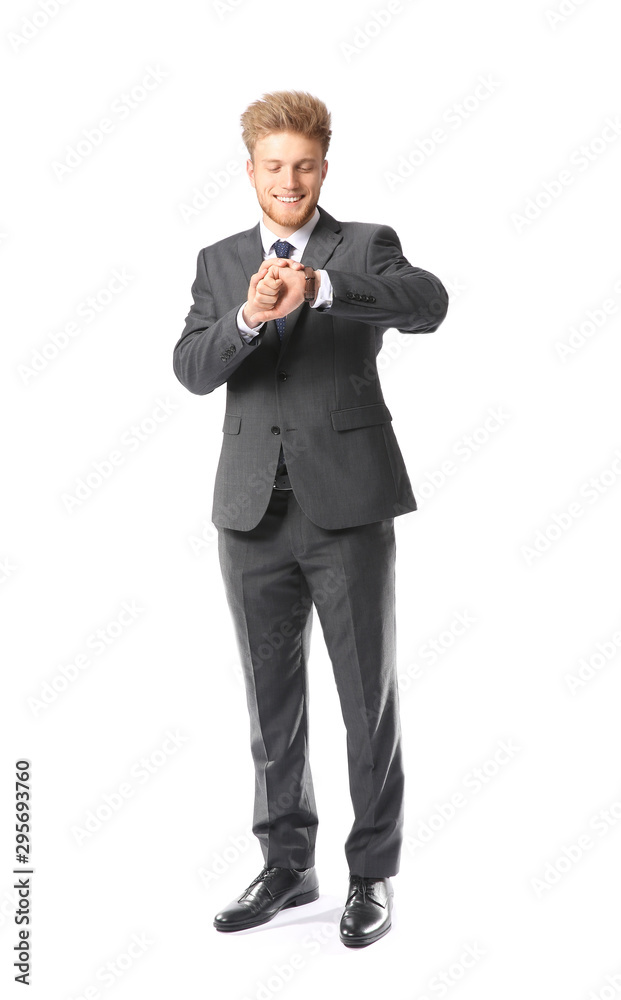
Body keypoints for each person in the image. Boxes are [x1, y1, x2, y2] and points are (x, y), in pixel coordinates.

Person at [173, 90, 449, 948]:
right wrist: (251, 315)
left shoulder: (361, 246)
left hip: (348, 508)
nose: (287, 180)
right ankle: (288, 865)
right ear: (249, 170)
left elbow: (428, 303)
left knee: (366, 698)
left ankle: (371, 875)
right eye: (272, 166)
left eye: (302, 165)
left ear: (322, 166)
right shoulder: (220, 262)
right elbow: (190, 367)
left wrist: (322, 287)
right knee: (271, 701)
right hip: (249, 512)